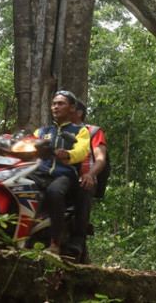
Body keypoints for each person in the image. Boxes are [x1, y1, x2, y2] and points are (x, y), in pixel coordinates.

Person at [31, 90, 90, 255]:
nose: (56, 107)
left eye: (61, 104)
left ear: (71, 108)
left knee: (54, 192)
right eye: (54, 104)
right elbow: (26, 144)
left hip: (64, 175)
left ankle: (55, 243)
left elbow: (82, 149)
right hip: (39, 173)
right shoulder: (42, 131)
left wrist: (69, 154)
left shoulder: (79, 130)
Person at [65, 98, 108, 261]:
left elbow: (100, 158)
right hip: (60, 176)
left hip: (83, 178)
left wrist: (90, 174)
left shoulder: (92, 131)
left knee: (84, 187)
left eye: (69, 109)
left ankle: (77, 241)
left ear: (79, 112)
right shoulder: (54, 131)